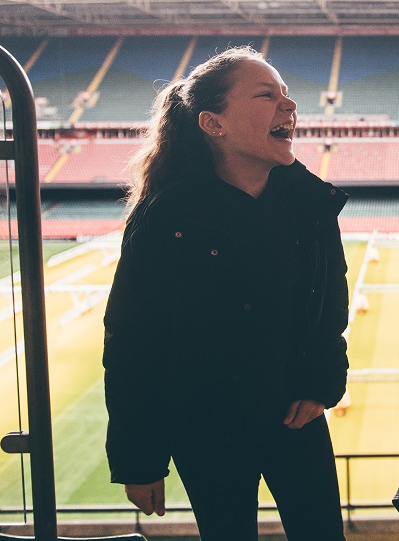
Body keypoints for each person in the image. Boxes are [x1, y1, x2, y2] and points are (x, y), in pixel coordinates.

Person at [102, 46, 349, 541]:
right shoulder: (165, 218)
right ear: (213, 124)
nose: (289, 106)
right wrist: (139, 457)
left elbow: (328, 308)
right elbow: (132, 340)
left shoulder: (309, 203)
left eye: (286, 94)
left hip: (294, 415)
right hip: (206, 425)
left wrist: (320, 383)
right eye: (266, 95)